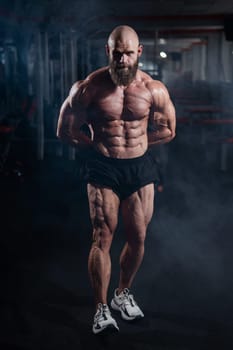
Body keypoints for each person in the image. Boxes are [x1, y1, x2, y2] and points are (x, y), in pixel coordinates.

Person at [57, 25, 176, 334]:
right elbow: (64, 131)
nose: (122, 61)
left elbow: (168, 129)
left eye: (128, 54)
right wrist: (95, 145)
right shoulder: (88, 88)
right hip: (103, 167)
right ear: (108, 52)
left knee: (138, 238)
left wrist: (139, 145)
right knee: (102, 236)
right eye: (117, 54)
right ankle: (101, 308)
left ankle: (122, 293)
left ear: (139, 53)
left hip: (139, 168)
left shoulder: (154, 89)